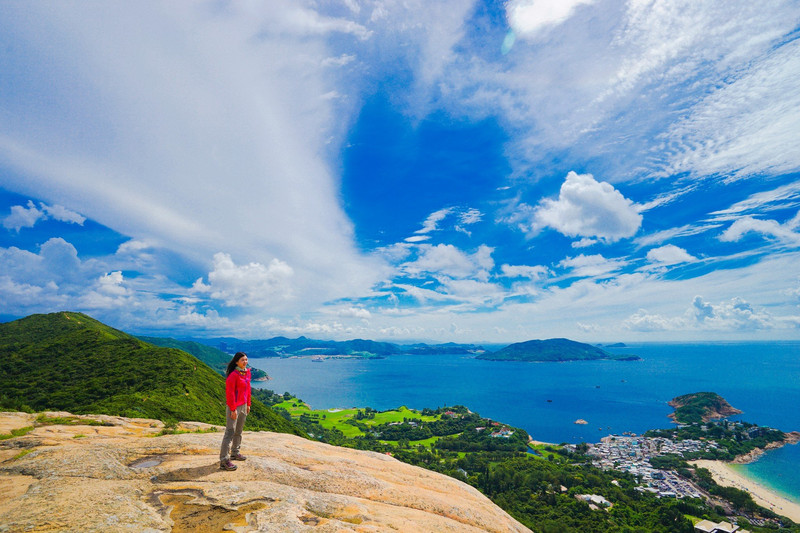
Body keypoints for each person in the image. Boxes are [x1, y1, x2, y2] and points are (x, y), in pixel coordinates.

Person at [219, 351, 251, 471]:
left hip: (243, 405)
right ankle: (224, 460)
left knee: (239, 430)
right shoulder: (234, 375)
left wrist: (248, 404)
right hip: (234, 407)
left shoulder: (247, 373)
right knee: (230, 432)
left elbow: (248, 389)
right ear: (236, 362)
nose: (245, 362)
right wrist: (233, 409)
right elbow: (230, 393)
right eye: (242, 360)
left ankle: (235, 452)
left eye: (246, 359)